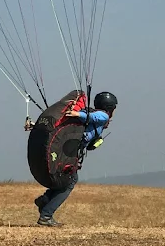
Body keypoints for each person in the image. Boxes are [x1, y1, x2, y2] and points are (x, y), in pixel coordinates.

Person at [35, 91, 117, 227]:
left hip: (68, 148)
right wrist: (78, 114)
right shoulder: (102, 115)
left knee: (68, 178)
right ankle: (46, 214)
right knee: (71, 180)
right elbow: (95, 117)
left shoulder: (91, 113)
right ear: (110, 107)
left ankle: (46, 199)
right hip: (69, 150)